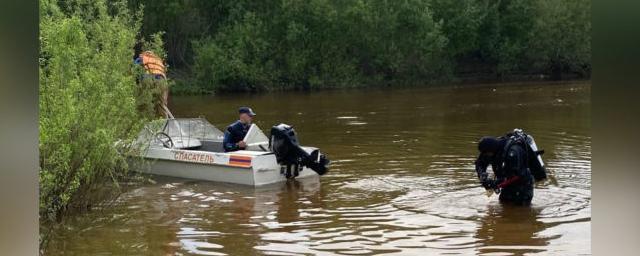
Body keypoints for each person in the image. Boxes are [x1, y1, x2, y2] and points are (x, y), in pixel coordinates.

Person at [475, 134, 535, 206]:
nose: (486, 155)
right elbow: (480, 163)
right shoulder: (489, 150)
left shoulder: (512, 152)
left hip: (522, 185)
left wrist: (494, 184)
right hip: (506, 185)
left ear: (492, 150)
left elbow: (515, 175)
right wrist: (482, 175)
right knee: (503, 205)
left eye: (487, 153)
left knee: (521, 211)